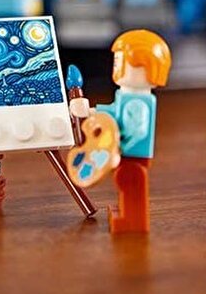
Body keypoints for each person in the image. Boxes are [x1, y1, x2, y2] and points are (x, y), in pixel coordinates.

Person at [69, 29, 171, 233]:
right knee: (125, 182)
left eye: (121, 62)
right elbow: (114, 112)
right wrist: (91, 111)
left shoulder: (139, 102)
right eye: (116, 62)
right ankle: (126, 213)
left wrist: (120, 145)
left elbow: (139, 131)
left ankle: (132, 220)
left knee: (130, 182)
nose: (116, 67)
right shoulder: (127, 96)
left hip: (133, 154)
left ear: (146, 67)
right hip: (124, 152)